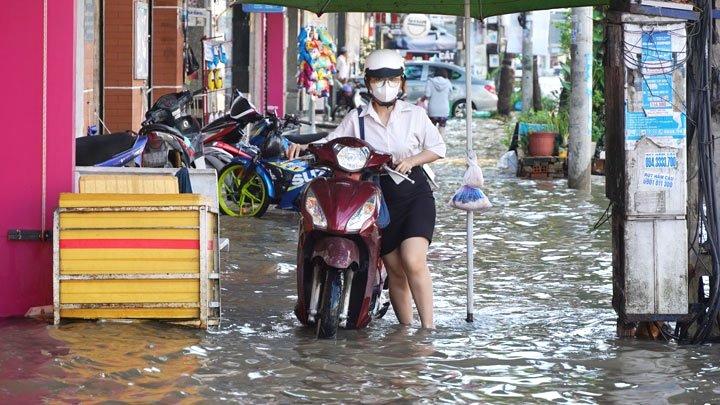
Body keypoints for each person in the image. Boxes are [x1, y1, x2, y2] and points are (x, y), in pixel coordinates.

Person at [287, 49, 446, 329]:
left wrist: (411, 160)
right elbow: (331, 142)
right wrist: (304, 146)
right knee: (394, 271)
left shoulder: (415, 115)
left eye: (393, 80)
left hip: (415, 194)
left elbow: (437, 148)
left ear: (402, 83)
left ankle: (428, 331)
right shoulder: (356, 119)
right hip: (377, 200)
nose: (386, 86)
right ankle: (406, 333)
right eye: (379, 80)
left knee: (412, 260)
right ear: (368, 83)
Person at [421, 68, 452, 136]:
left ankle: (431, 145)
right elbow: (450, 97)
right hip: (444, 110)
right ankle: (440, 145)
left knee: (431, 131)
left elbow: (427, 95)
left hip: (433, 110)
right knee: (442, 131)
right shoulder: (448, 82)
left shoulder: (430, 82)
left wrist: (422, 100)